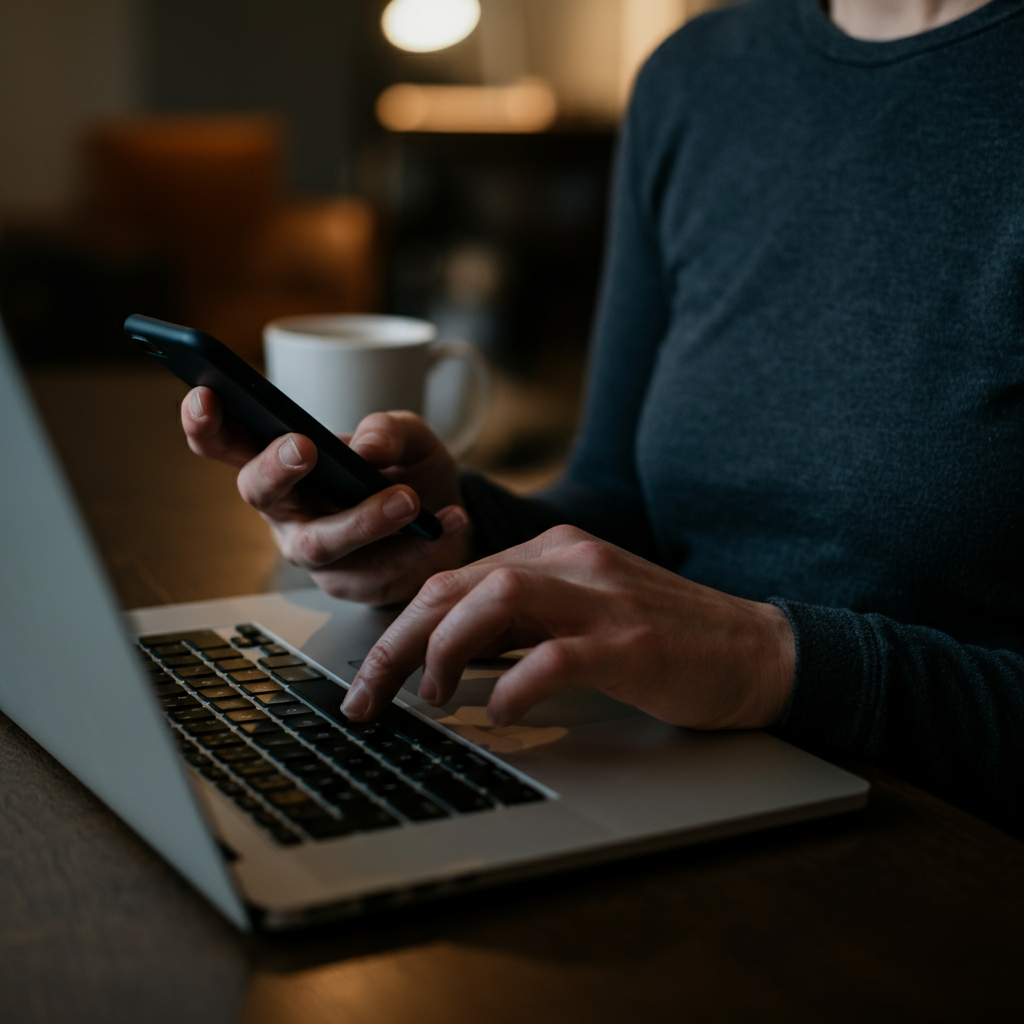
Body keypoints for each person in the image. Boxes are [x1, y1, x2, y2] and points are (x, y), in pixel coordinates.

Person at [181, 0, 1024, 835]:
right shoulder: (698, 77)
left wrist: (771, 661)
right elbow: (619, 496)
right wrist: (453, 534)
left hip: (937, 847)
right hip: (660, 775)